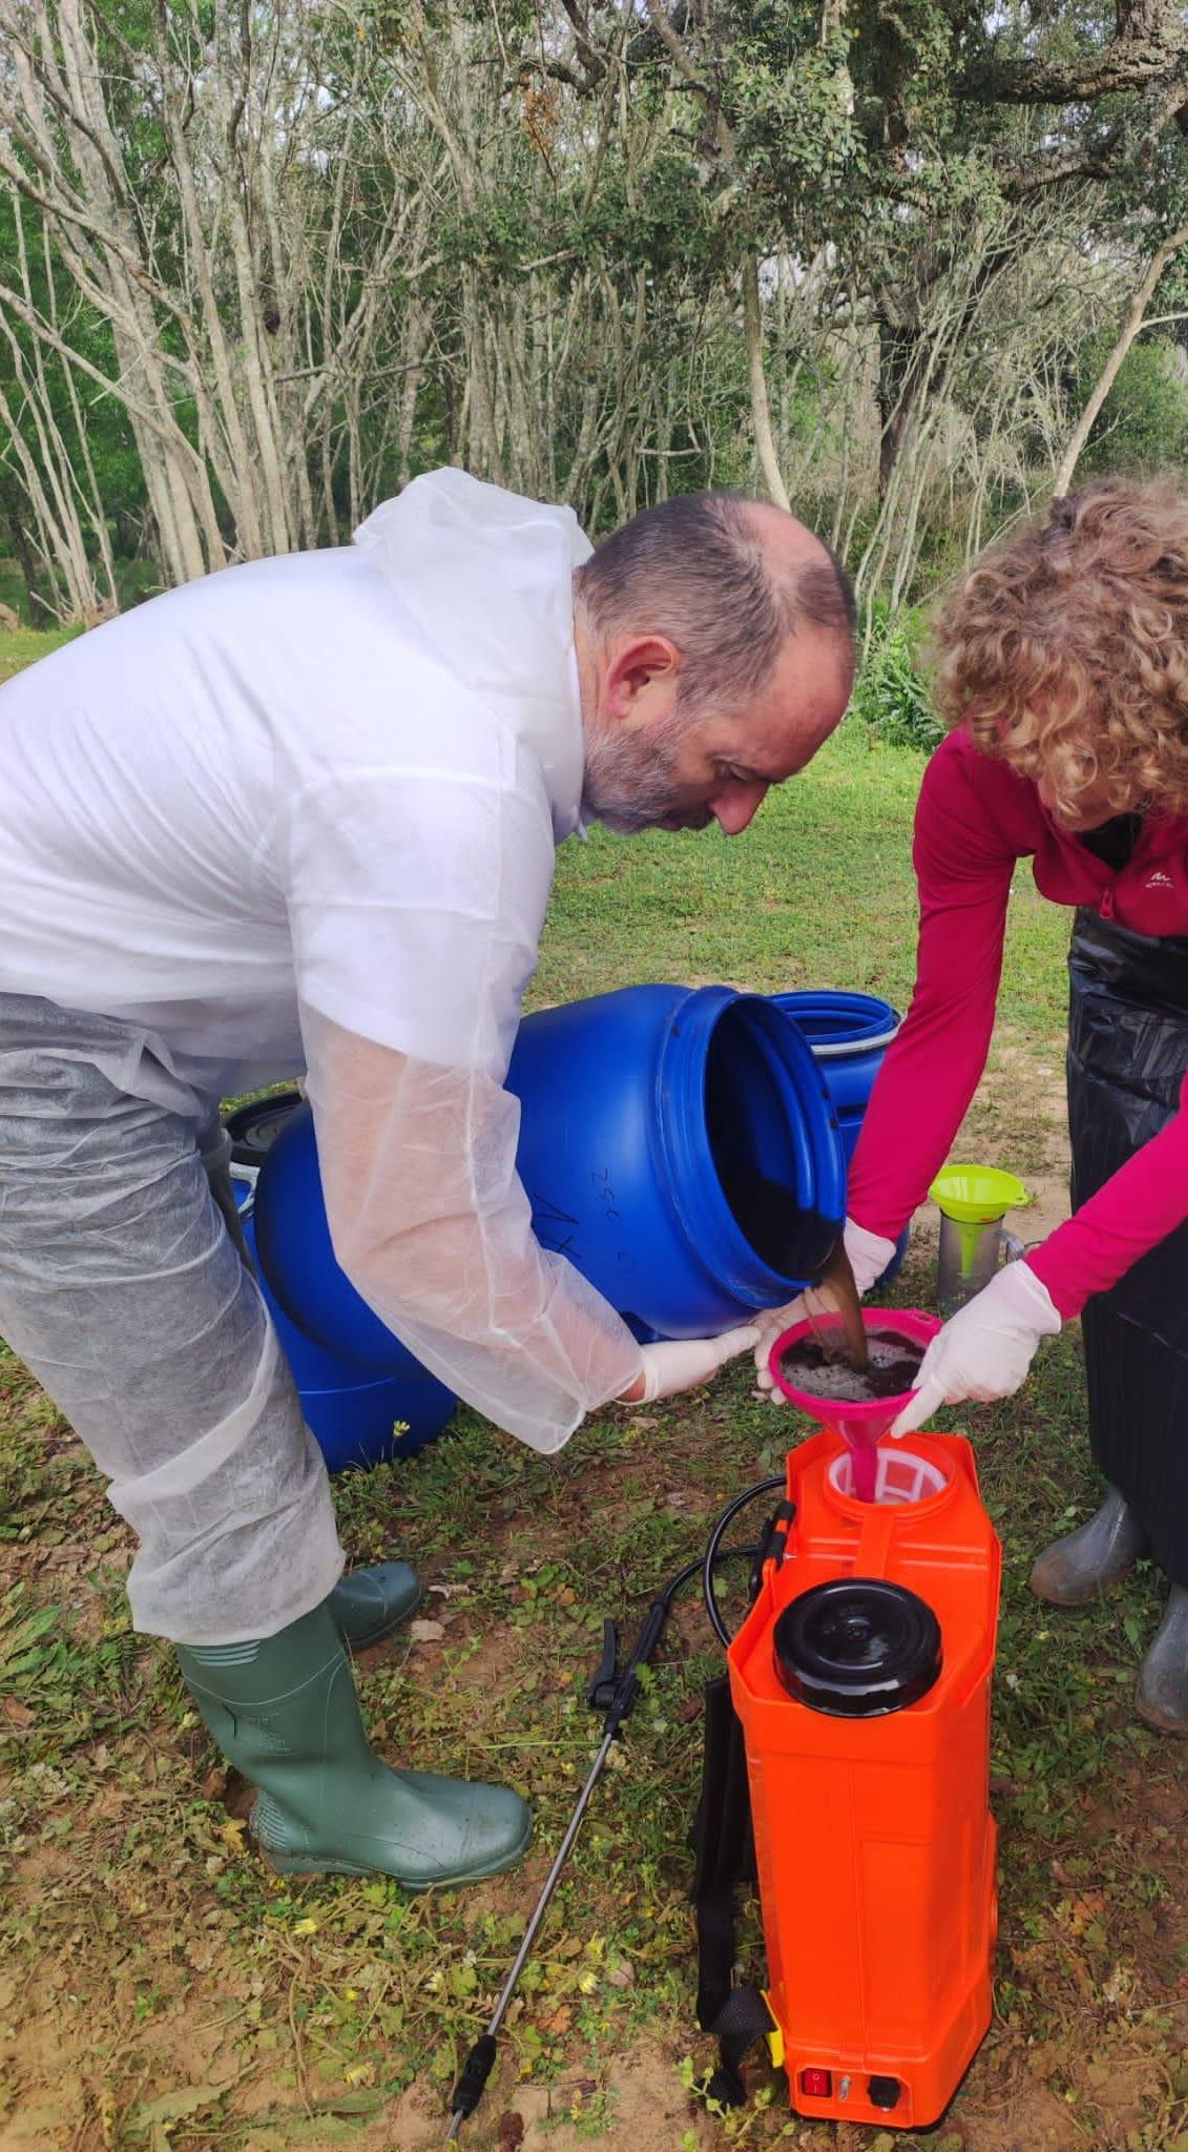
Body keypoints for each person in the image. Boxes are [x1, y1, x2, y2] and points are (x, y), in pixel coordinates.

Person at [0, 470, 855, 1887]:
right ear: (639, 671)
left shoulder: (500, 623)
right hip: (28, 1035)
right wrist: (613, 1369)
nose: (744, 817)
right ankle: (315, 1796)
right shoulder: (440, 798)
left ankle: (296, 1604)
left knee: (220, 1331)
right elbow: (410, 1214)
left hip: (77, 969)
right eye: (734, 768)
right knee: (189, 1408)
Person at [763, 478, 1188, 1733]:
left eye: (1089, 753)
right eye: (1025, 741)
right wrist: (867, 1226)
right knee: (1123, 1205)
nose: (1050, 787)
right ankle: (1137, 1489)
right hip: (1145, 926)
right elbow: (948, 1018)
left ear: (1186, 723)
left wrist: (1023, 1296)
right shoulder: (988, 763)